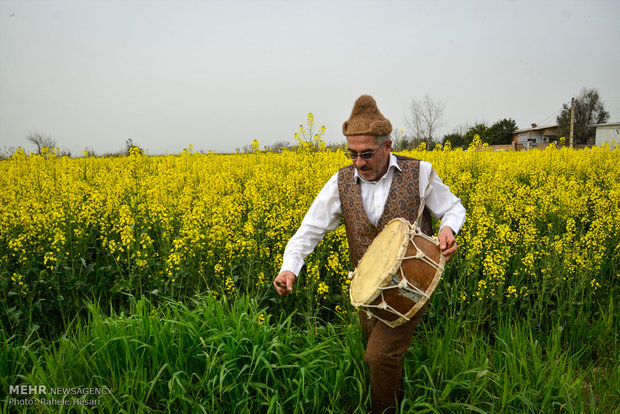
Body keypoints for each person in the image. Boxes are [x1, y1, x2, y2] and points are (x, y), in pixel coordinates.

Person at [273, 94, 466, 413]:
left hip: (411, 283)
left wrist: (448, 229)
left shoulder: (419, 172)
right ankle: (398, 399)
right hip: (367, 288)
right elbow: (310, 229)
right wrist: (289, 268)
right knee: (377, 352)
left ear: (387, 146)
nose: (359, 163)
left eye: (366, 154)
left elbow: (453, 207)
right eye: (352, 154)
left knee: (379, 355)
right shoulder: (340, 183)